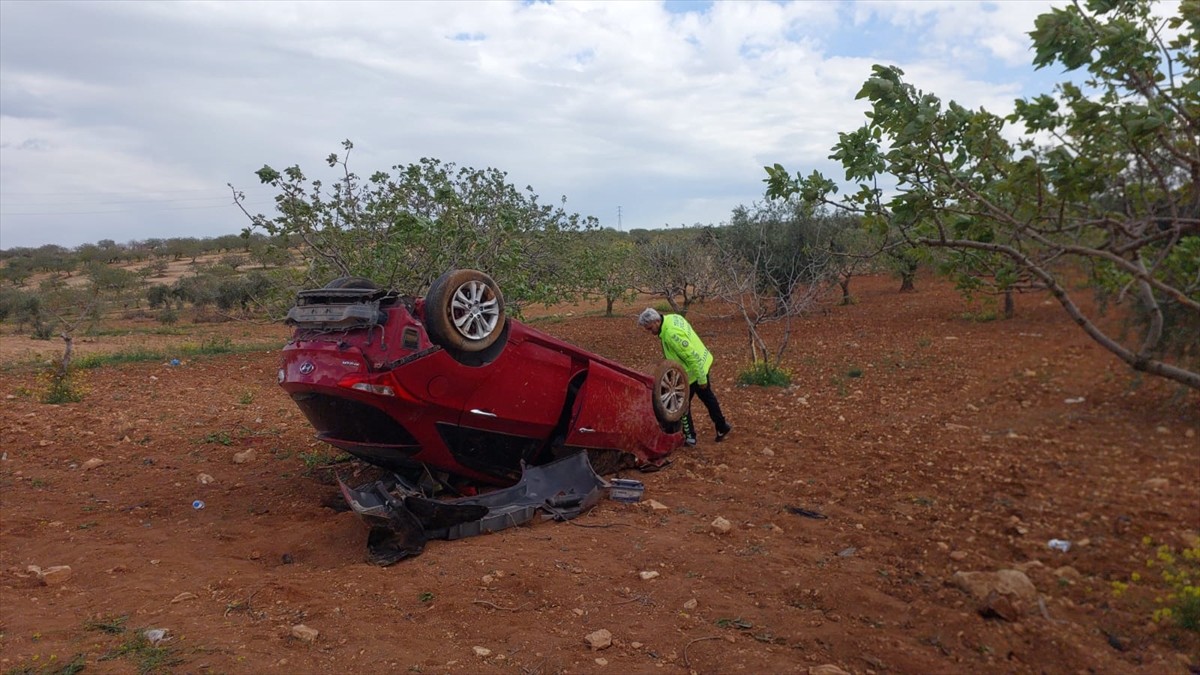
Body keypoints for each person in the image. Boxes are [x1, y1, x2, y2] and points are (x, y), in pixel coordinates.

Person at [637, 307, 731, 446]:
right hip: (701, 362)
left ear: (656, 321)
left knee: (681, 406)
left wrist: (701, 378)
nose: (650, 332)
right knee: (708, 398)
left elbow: (691, 356)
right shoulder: (673, 318)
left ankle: (690, 438)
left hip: (693, 371)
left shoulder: (671, 334)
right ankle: (722, 427)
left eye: (650, 328)